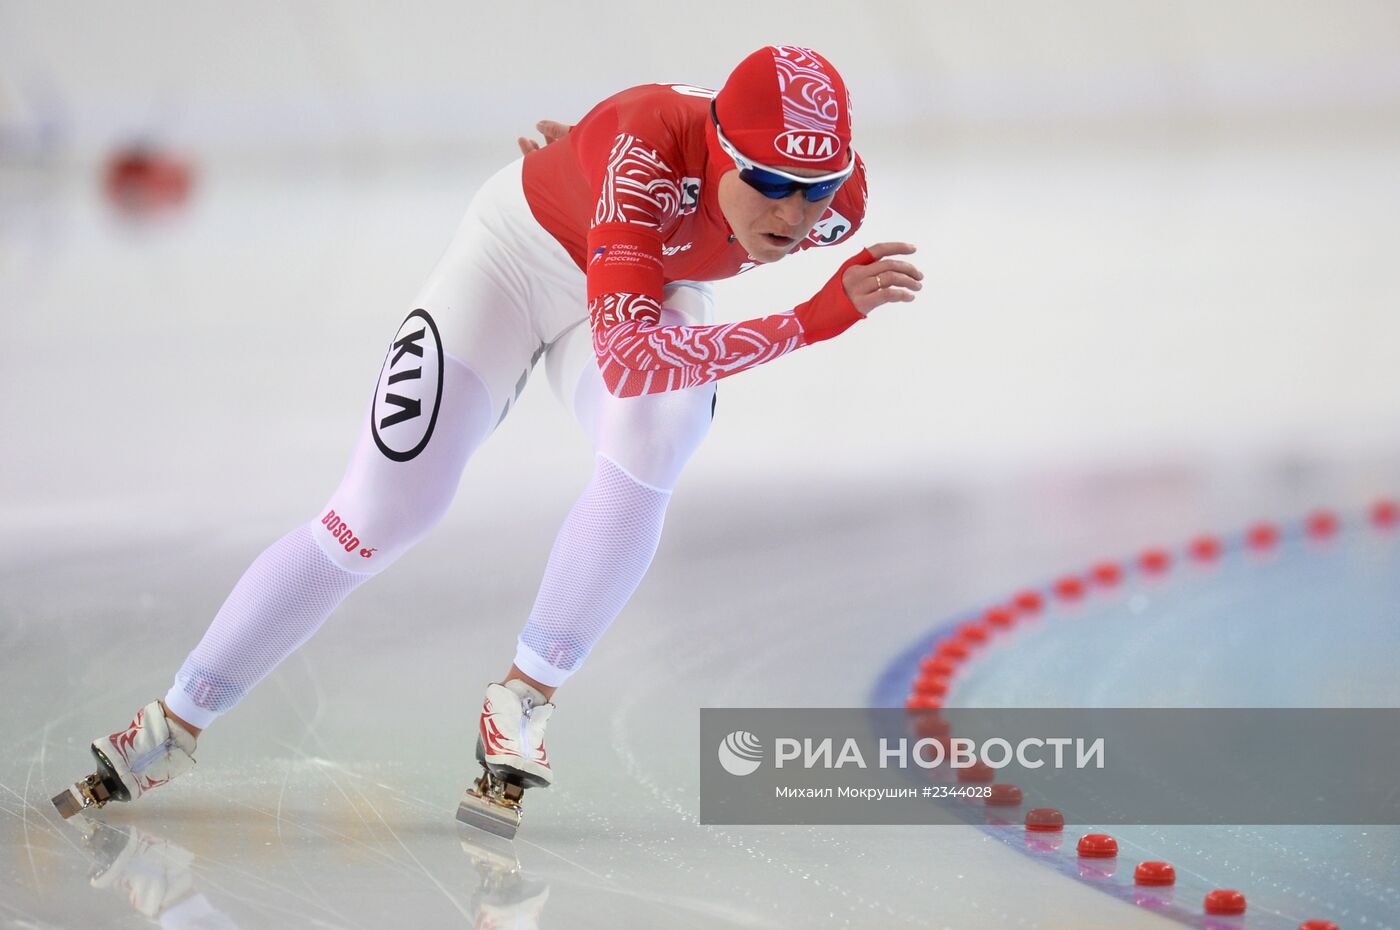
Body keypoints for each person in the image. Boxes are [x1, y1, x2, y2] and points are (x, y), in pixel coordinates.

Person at [54, 45, 923, 820]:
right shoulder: (646, 164)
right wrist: (811, 319)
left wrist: (582, 150)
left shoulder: (835, 205)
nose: (792, 213)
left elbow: (656, 318)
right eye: (767, 183)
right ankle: (176, 718)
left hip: (637, 272)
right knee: (381, 514)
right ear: (723, 152)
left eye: (812, 190)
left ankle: (525, 698)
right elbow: (625, 358)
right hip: (517, 260)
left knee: (661, 436)